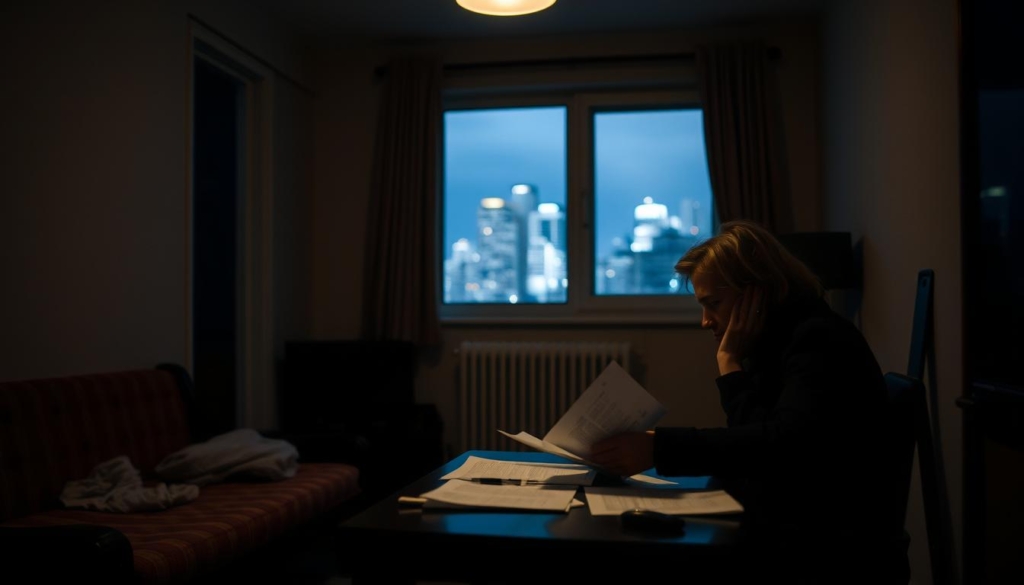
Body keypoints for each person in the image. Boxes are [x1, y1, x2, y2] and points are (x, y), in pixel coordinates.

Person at [589, 219, 908, 583]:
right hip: (798, 526)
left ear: (758, 293)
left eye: (714, 303)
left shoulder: (818, 339)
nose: (705, 321)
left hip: (827, 549)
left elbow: (782, 445)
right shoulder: (777, 341)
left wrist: (659, 447)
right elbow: (757, 437)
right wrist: (732, 365)